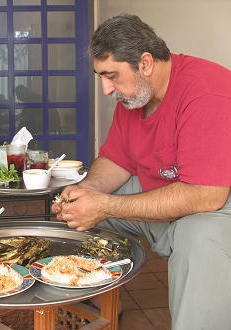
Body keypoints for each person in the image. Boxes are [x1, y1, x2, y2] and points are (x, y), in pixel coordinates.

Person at [52, 14, 231, 330]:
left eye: (111, 76)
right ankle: (102, 296)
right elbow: (115, 160)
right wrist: (88, 192)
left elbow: (207, 195)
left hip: (217, 206)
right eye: (101, 77)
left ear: (145, 63)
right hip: (171, 193)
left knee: (196, 236)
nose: (107, 90)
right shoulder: (135, 98)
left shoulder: (205, 91)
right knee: (85, 207)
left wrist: (105, 205)